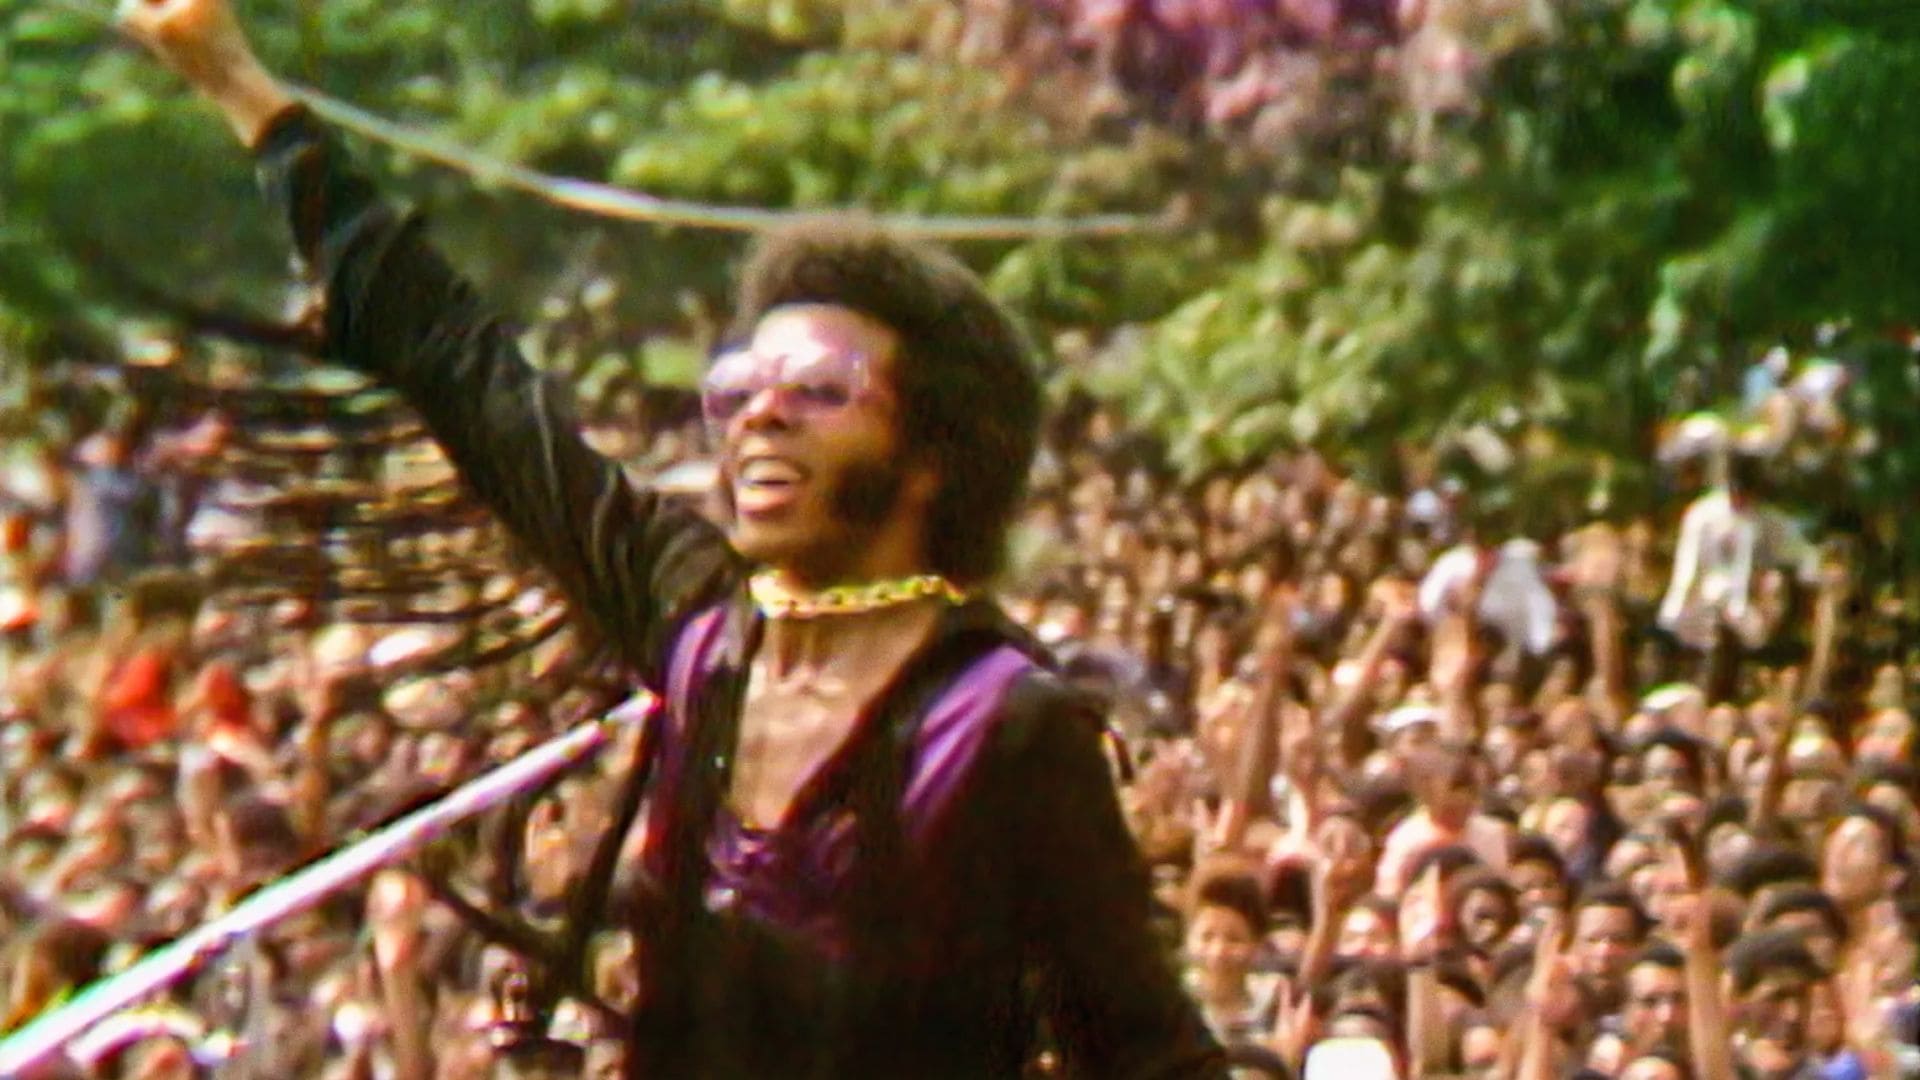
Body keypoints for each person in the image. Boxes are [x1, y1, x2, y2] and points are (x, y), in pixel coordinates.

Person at [114, 0, 1224, 1075]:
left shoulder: (1003, 726)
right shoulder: (699, 626)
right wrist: (243, 89)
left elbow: (1146, 1048)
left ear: (933, 456)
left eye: (820, 390)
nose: (760, 414)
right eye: (741, 385)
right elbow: (470, 376)